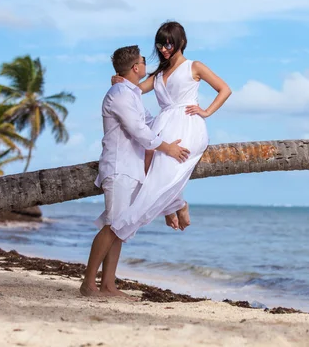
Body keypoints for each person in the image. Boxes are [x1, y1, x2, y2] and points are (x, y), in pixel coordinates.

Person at [80, 45, 190, 298]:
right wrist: (168, 149)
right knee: (113, 226)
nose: (145, 64)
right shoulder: (119, 93)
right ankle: (88, 284)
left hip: (131, 170)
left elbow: (150, 122)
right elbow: (138, 131)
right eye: (142, 61)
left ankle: (108, 284)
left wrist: (181, 115)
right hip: (119, 168)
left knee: (120, 228)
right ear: (135, 68)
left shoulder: (131, 94)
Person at [110, 20, 231, 237]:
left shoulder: (194, 66)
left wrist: (206, 111)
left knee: (164, 166)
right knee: (147, 162)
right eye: (160, 46)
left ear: (181, 42)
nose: (164, 50)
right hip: (164, 123)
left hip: (187, 123)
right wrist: (119, 81)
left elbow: (224, 89)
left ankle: (174, 207)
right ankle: (175, 206)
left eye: (168, 45)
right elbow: (134, 90)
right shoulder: (157, 74)